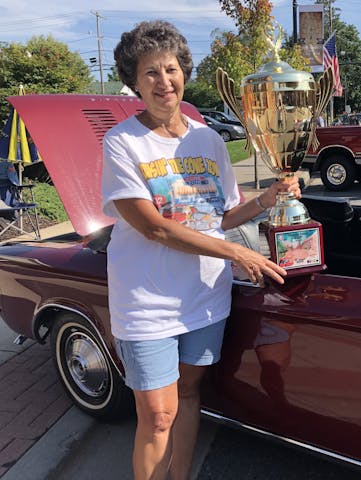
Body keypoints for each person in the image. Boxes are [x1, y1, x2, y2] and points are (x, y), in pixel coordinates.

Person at [101, 20, 300, 480]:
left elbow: (221, 215)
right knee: (157, 416)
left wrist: (266, 199)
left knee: (189, 397)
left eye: (170, 69)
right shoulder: (123, 142)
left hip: (205, 300)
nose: (163, 82)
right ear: (133, 81)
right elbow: (154, 228)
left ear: (183, 73)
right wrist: (239, 255)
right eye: (149, 72)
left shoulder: (208, 140)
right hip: (146, 303)